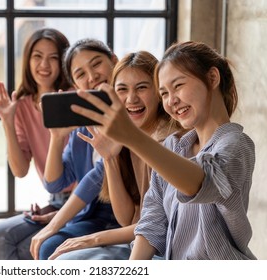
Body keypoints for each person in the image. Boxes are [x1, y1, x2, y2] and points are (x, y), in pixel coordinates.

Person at [70, 41, 256, 260]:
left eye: (178, 86)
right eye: (164, 93)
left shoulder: (236, 144)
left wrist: (132, 136)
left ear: (212, 78)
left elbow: (201, 181)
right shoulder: (173, 147)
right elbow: (151, 223)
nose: (171, 101)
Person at [48, 51, 181, 260]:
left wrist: (92, 239)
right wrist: (110, 158)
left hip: (161, 249)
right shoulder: (125, 138)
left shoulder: (168, 143)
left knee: (63, 259)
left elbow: (157, 226)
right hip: (135, 240)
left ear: (158, 91)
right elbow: (126, 217)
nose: (131, 98)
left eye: (142, 87)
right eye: (122, 90)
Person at [0, 27, 74, 260]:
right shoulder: (21, 106)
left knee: (27, 249)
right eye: (37, 56)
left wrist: (62, 213)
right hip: (55, 202)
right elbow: (20, 170)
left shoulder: (74, 98)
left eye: (53, 57)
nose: (44, 64)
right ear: (27, 61)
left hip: (81, 203)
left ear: (64, 62)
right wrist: (8, 122)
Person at [29, 38, 121, 260]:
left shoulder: (133, 112)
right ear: (76, 86)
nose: (92, 76)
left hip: (123, 214)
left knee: (51, 247)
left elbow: (97, 175)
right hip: (91, 212)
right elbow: (54, 183)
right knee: (48, 247)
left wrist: (55, 223)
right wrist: (57, 137)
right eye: (81, 74)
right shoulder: (82, 126)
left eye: (97, 64)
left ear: (114, 61)